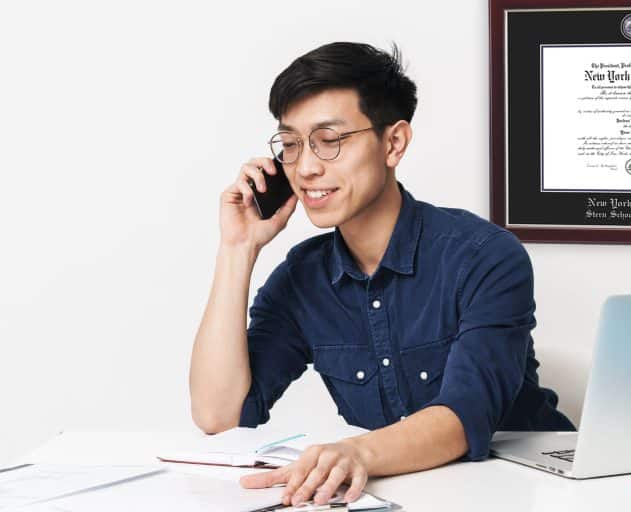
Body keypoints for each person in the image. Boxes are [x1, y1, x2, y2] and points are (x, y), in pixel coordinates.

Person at [188, 41, 574, 507]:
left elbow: (464, 415)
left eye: (329, 141)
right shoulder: (303, 278)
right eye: (290, 145)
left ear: (393, 143)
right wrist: (238, 247)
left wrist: (352, 453)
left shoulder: (484, 256)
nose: (306, 168)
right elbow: (217, 414)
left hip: (532, 493)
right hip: (406, 496)